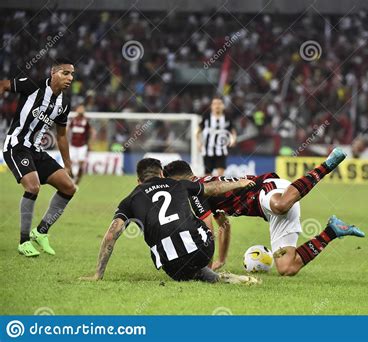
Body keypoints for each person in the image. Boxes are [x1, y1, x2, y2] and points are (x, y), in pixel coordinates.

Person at [164, 147, 365, 276]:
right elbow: (222, 225)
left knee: (280, 205)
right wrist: (222, 260)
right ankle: (332, 231)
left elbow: (207, 231)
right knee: (287, 268)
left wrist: (204, 269)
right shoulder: (204, 189)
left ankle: (326, 165)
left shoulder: (197, 192)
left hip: (267, 190)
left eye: (172, 185)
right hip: (270, 211)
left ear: (182, 180)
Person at [80, 158, 258, 284]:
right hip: (202, 250)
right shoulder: (179, 184)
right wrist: (239, 183)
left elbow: (112, 235)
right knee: (194, 214)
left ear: (138, 180)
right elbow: (213, 188)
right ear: (162, 174)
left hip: (172, 268)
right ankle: (209, 272)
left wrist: (98, 274)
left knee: (169, 248)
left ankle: (204, 273)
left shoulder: (130, 200)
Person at [0, 58, 77, 257]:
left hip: (35, 150)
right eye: (65, 73)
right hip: (16, 146)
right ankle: (24, 241)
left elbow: (61, 136)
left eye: (72, 74)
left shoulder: (64, 104)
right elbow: (3, 85)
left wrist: (67, 164)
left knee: (69, 187)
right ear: (53, 73)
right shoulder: (32, 85)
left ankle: (41, 232)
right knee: (33, 187)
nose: (70, 78)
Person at [196, 97, 237, 176]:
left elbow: (232, 130)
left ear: (223, 106)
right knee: (208, 176)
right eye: (215, 104)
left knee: (220, 175)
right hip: (208, 150)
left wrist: (233, 139)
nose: (217, 106)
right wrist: (198, 143)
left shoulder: (227, 117)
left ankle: (219, 188)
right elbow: (198, 131)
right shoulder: (206, 117)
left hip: (221, 149)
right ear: (211, 106)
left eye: (219, 103)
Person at [69, 104, 93, 184]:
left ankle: (77, 180)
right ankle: (72, 178)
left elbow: (91, 131)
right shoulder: (73, 120)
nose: (81, 110)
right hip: (73, 145)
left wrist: (90, 142)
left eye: (82, 108)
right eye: (79, 108)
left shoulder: (86, 121)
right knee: (71, 162)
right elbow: (67, 130)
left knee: (80, 163)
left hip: (82, 145)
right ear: (76, 110)